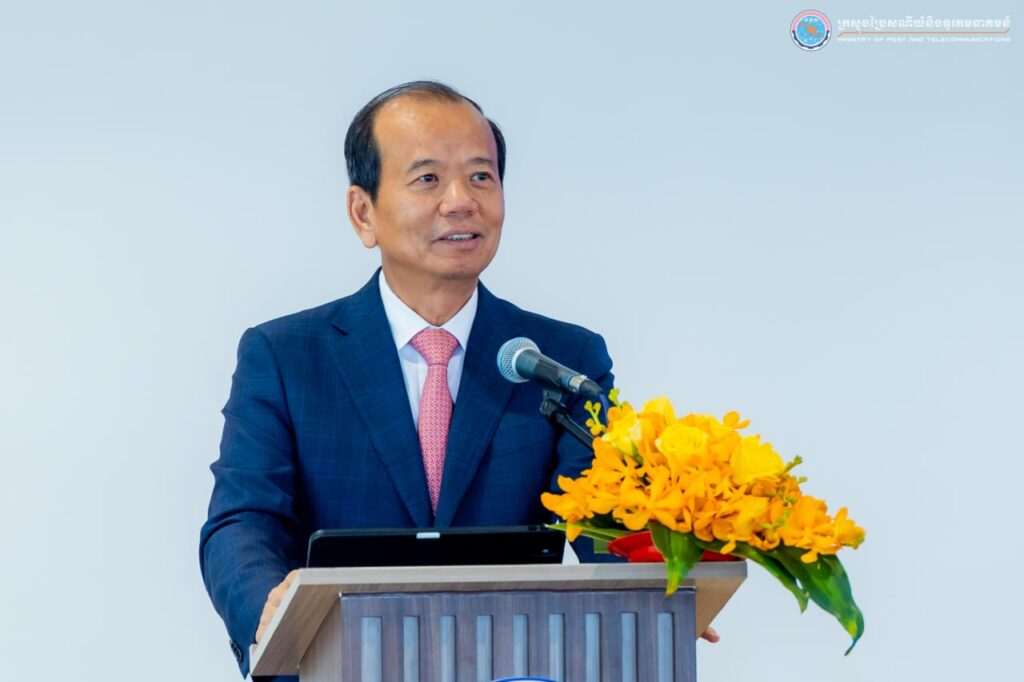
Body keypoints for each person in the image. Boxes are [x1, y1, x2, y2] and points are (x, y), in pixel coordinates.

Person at [199, 81, 627, 680]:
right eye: (428, 178)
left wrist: (658, 589)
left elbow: (600, 519)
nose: (461, 201)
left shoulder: (561, 360)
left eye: (481, 176)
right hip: (336, 663)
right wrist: (267, 607)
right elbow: (244, 519)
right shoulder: (286, 356)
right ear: (363, 212)